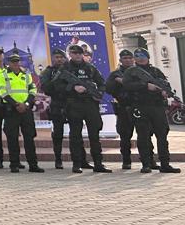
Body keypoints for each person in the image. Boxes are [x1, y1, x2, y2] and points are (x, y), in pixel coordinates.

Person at [51, 44, 109, 173]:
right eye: (74, 53)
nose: (77, 55)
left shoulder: (90, 68)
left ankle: (98, 163)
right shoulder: (64, 69)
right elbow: (56, 86)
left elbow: (101, 83)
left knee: (94, 134)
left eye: (79, 53)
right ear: (70, 54)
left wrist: (98, 94)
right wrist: (73, 88)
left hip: (90, 104)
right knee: (75, 135)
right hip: (73, 104)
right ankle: (77, 164)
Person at [125, 49, 180, 173]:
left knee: (162, 135)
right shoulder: (131, 71)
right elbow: (127, 85)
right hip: (140, 106)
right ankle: (146, 163)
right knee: (143, 136)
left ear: (148, 57)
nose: (140, 58)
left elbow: (166, 85)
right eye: (137, 56)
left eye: (143, 56)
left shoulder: (156, 71)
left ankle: (165, 164)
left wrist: (165, 91)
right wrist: (145, 86)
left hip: (157, 106)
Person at [0, 53, 42, 172]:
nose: (15, 64)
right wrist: (16, 104)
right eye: (13, 62)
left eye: (17, 61)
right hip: (12, 110)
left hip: (26, 110)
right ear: (9, 63)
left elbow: (33, 90)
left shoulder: (26, 75)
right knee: (12, 138)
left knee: (29, 138)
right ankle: (14, 164)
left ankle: (33, 165)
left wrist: (27, 104)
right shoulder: (4, 75)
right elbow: (2, 92)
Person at [106, 50, 139, 169]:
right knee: (125, 136)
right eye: (125, 58)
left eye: (130, 58)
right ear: (120, 60)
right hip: (124, 108)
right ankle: (126, 161)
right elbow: (108, 89)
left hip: (139, 106)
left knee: (144, 135)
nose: (128, 60)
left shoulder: (139, 72)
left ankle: (148, 161)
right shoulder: (115, 74)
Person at [39, 49, 70, 168]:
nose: (59, 59)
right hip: (57, 104)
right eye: (57, 57)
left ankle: (80, 160)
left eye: (61, 57)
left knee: (76, 132)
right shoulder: (49, 72)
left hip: (71, 103)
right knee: (58, 133)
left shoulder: (70, 70)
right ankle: (58, 159)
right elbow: (46, 88)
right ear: (52, 58)